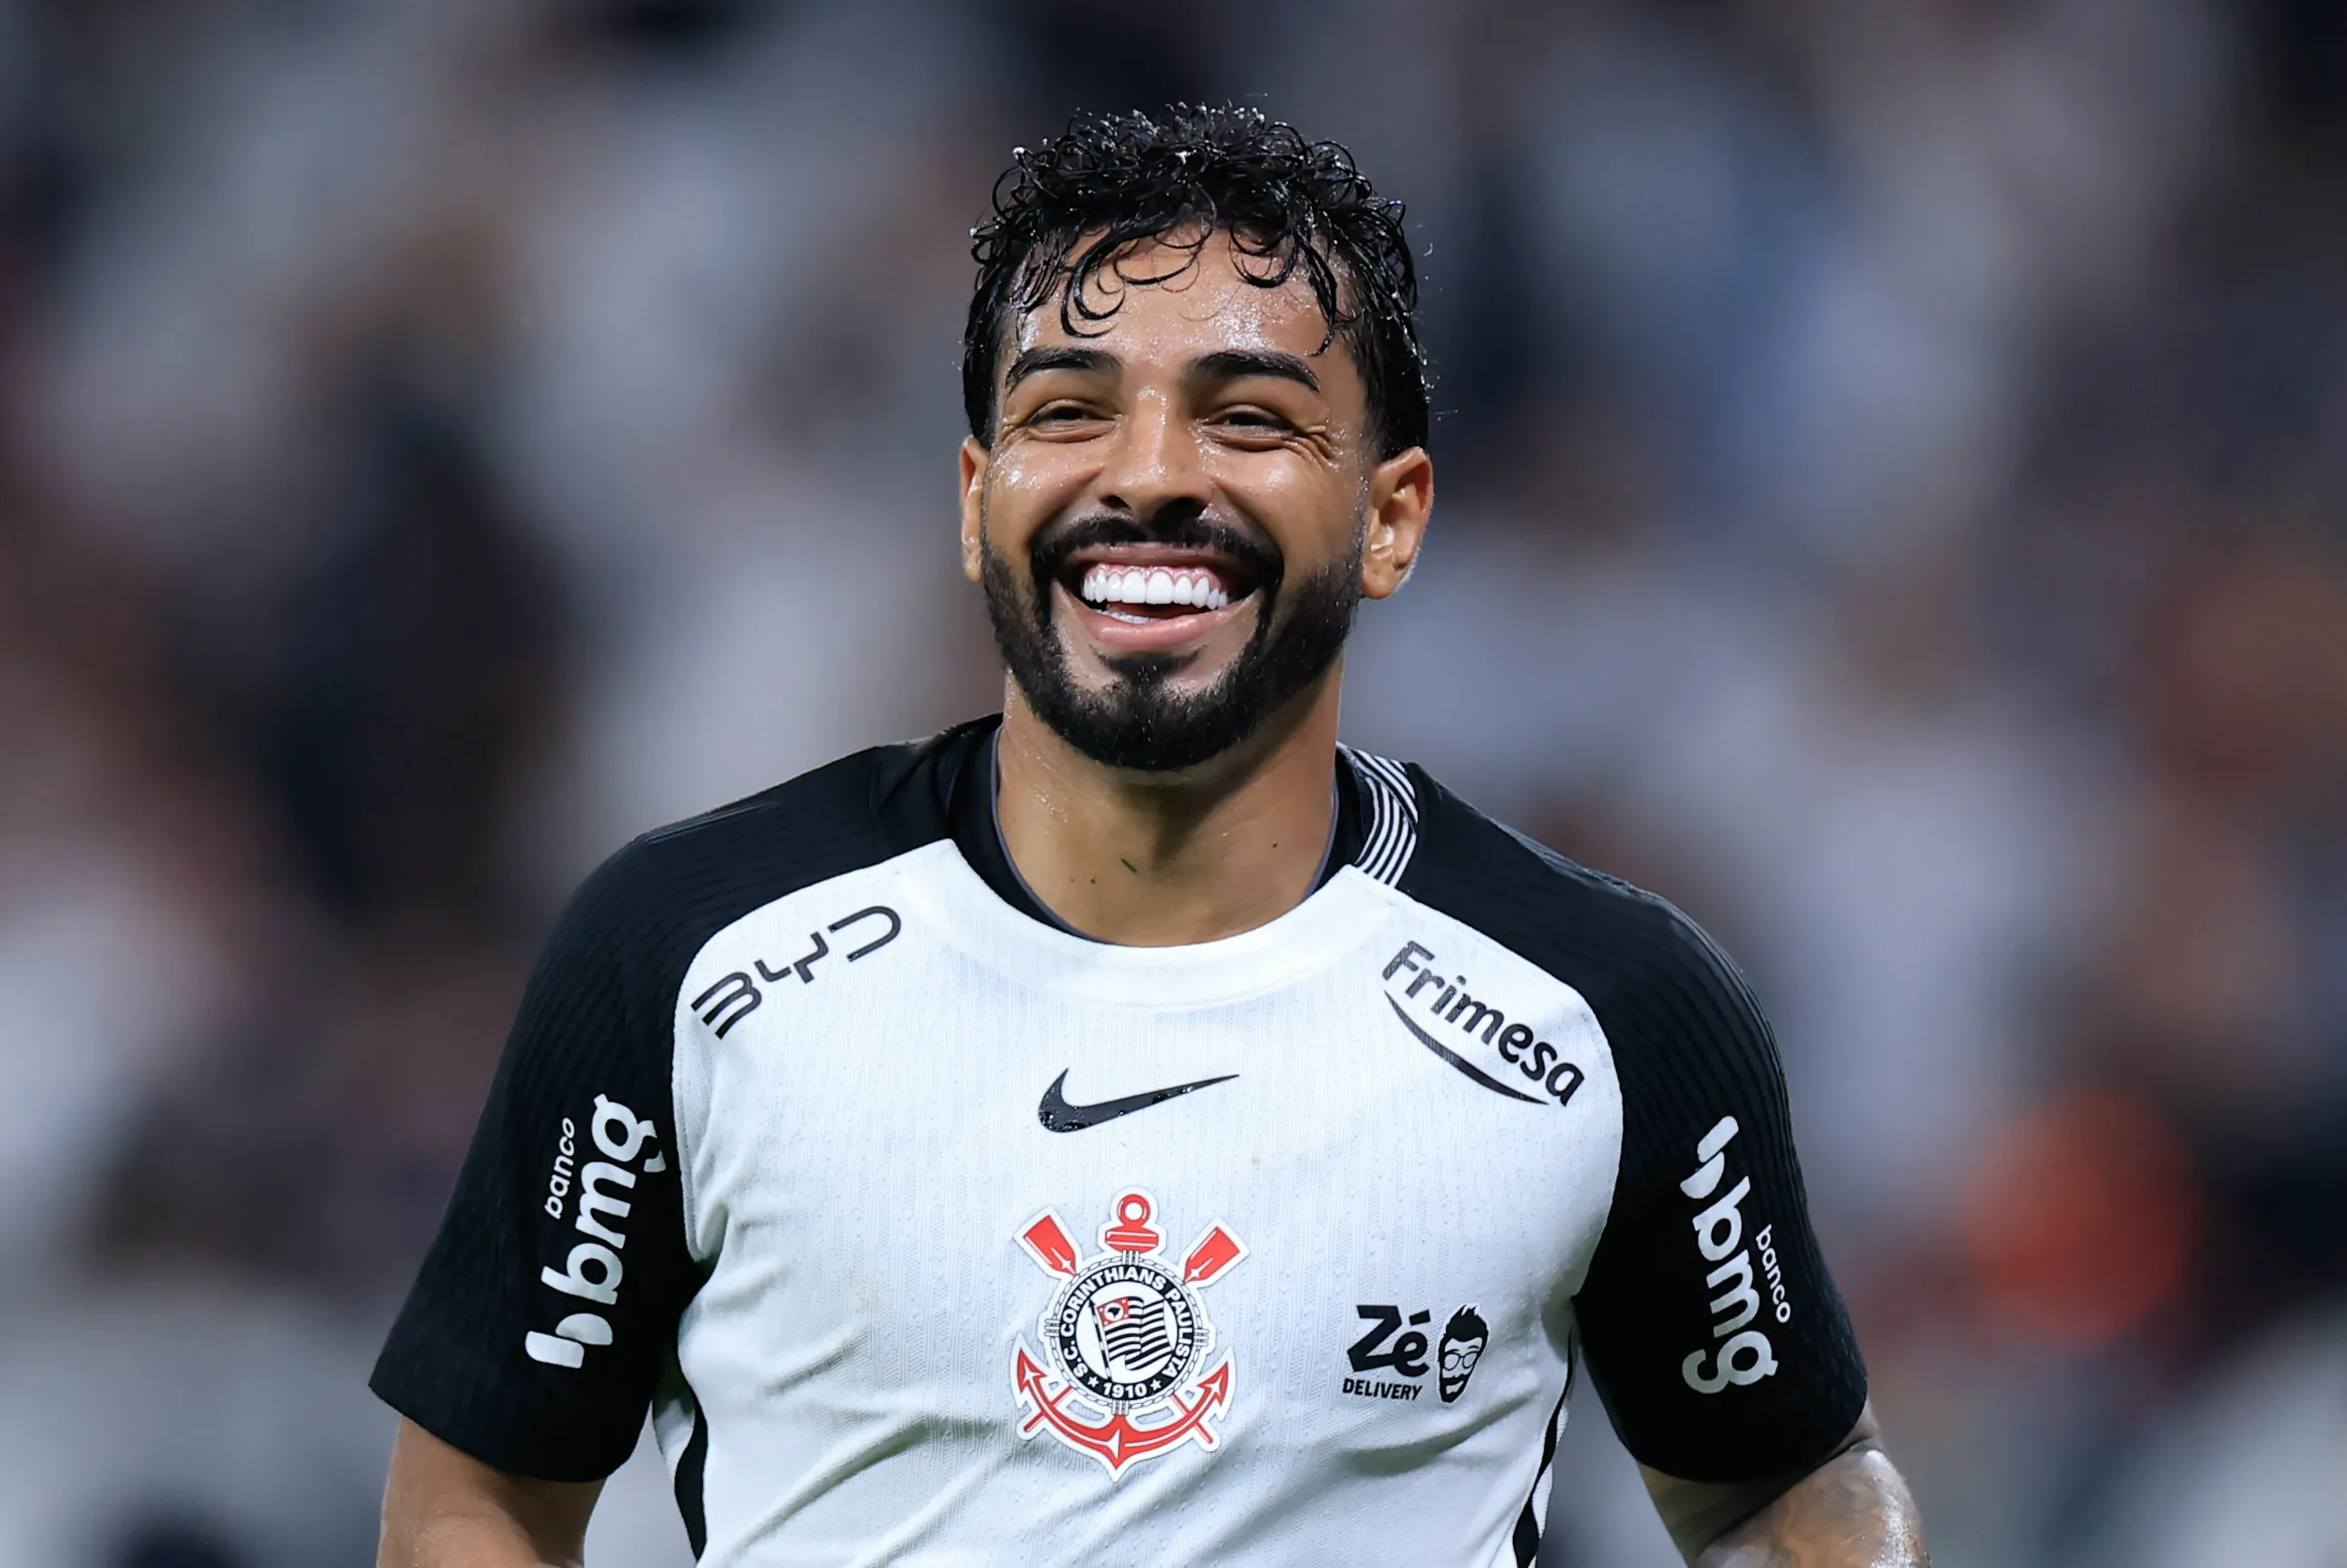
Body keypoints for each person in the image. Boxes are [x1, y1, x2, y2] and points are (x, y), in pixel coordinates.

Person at [372, 104, 1929, 1567]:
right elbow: (489, 1484)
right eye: (1070, 410)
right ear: (979, 497)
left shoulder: (1615, 1011)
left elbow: (1783, 1480)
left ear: (1392, 517)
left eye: (1248, 416)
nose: (1153, 474)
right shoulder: (679, 953)